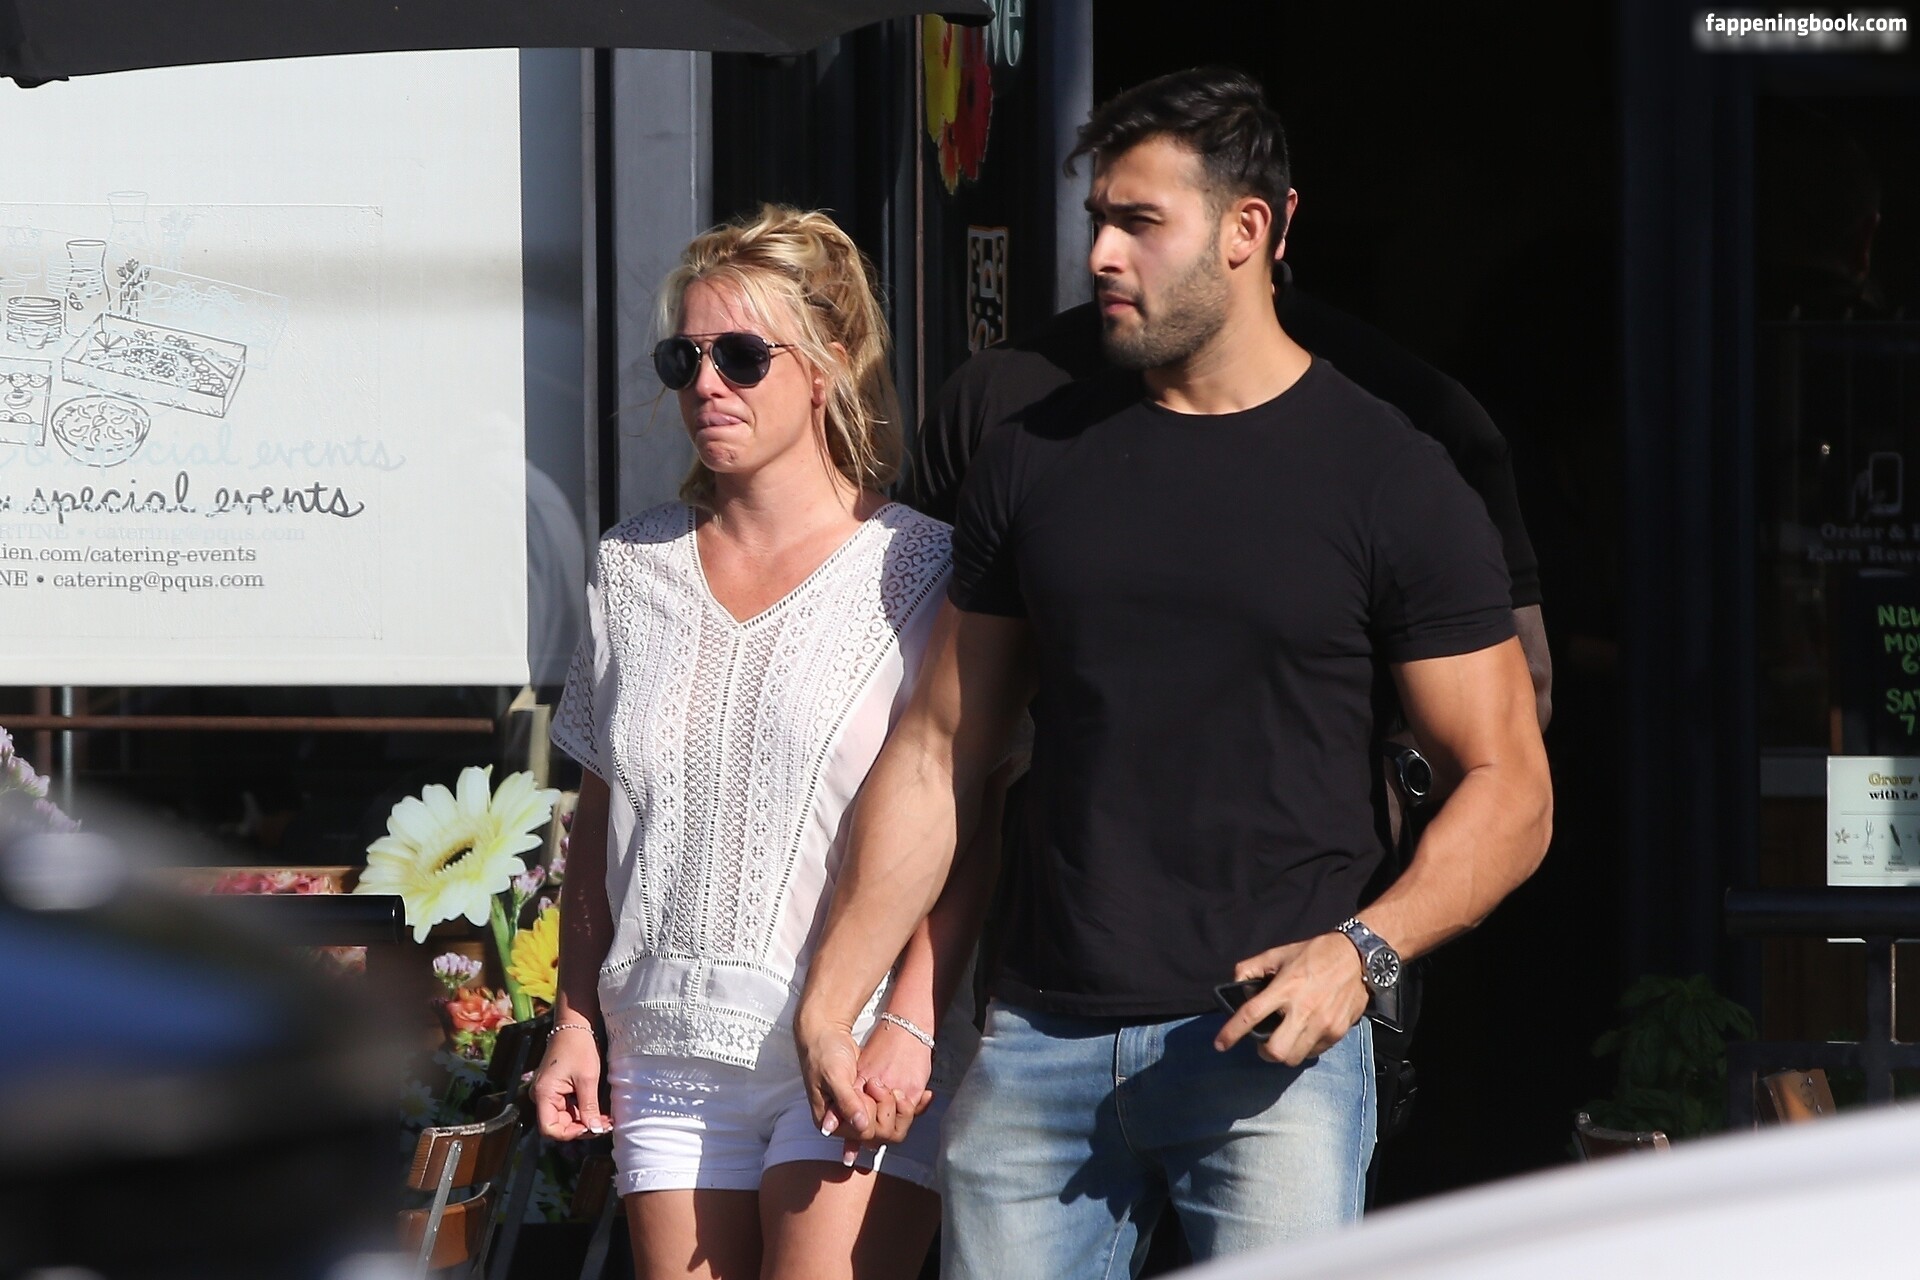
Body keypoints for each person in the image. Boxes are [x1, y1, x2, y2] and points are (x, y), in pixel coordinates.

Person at [794, 68, 1553, 1278]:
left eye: (1140, 222)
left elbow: (1510, 783)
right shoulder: (1036, 456)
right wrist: (838, 991)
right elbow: (942, 747)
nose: (1101, 253)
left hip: (1272, 1051)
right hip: (1040, 1040)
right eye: (1099, 218)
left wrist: (1363, 951)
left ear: (1248, 229)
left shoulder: (1391, 475)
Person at [529, 205, 988, 1280]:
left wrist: (915, 1019)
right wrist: (575, 1021)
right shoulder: (630, 568)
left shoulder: (920, 568)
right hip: (664, 1046)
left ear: (826, 364)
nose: (706, 384)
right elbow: (600, 819)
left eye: (740, 355)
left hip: (856, 1035)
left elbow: (968, 818)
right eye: (682, 358)